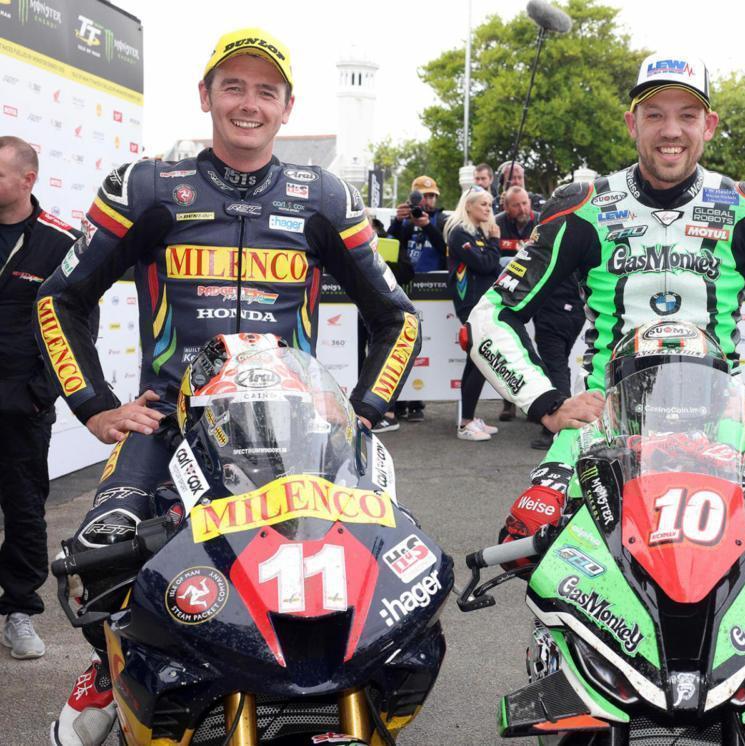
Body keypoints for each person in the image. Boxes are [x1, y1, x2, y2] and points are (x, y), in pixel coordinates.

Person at [38, 28, 421, 746]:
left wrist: (364, 411)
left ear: (286, 107)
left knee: (366, 571)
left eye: (265, 91)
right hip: (169, 422)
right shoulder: (146, 186)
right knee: (99, 557)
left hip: (298, 434)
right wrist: (94, 406)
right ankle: (113, 665)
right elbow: (59, 298)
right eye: (234, 87)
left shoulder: (326, 195)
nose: (249, 104)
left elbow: (397, 317)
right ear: (206, 96)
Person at [468, 52, 745, 548]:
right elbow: (489, 316)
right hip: (603, 426)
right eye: (654, 114)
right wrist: (547, 405)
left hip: (726, 427)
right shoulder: (582, 208)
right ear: (632, 123)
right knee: (530, 547)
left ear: (708, 125)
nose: (670, 130)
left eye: (686, 115)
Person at [0, 137, 87, 662]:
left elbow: (76, 326)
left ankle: (19, 611)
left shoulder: (60, 243)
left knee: (25, 511)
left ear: (27, 180)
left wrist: (40, 392)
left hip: (21, 406)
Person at [386, 175, 445, 423]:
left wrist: (428, 225)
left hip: (434, 290)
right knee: (402, 346)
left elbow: (445, 249)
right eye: (423, 196)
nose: (428, 201)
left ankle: (417, 402)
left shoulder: (442, 219)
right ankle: (399, 402)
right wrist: (399, 222)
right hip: (405, 286)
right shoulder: (404, 219)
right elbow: (390, 248)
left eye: (432, 196)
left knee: (426, 347)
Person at [445, 188, 503, 441]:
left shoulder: (479, 232)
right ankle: (466, 423)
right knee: (479, 361)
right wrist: (495, 242)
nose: (488, 208)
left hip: (482, 303)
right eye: (483, 204)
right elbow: (485, 264)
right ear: (468, 206)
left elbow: (491, 267)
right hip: (470, 303)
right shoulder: (459, 232)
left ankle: (468, 418)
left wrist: (490, 245)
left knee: (476, 361)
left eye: (490, 204)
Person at [495, 185, 536, 423]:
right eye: (516, 205)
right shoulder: (497, 223)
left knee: (539, 351)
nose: (522, 209)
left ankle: (535, 404)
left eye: (525, 203)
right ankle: (508, 402)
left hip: (538, 292)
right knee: (509, 348)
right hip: (508, 295)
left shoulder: (541, 221)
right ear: (506, 207)